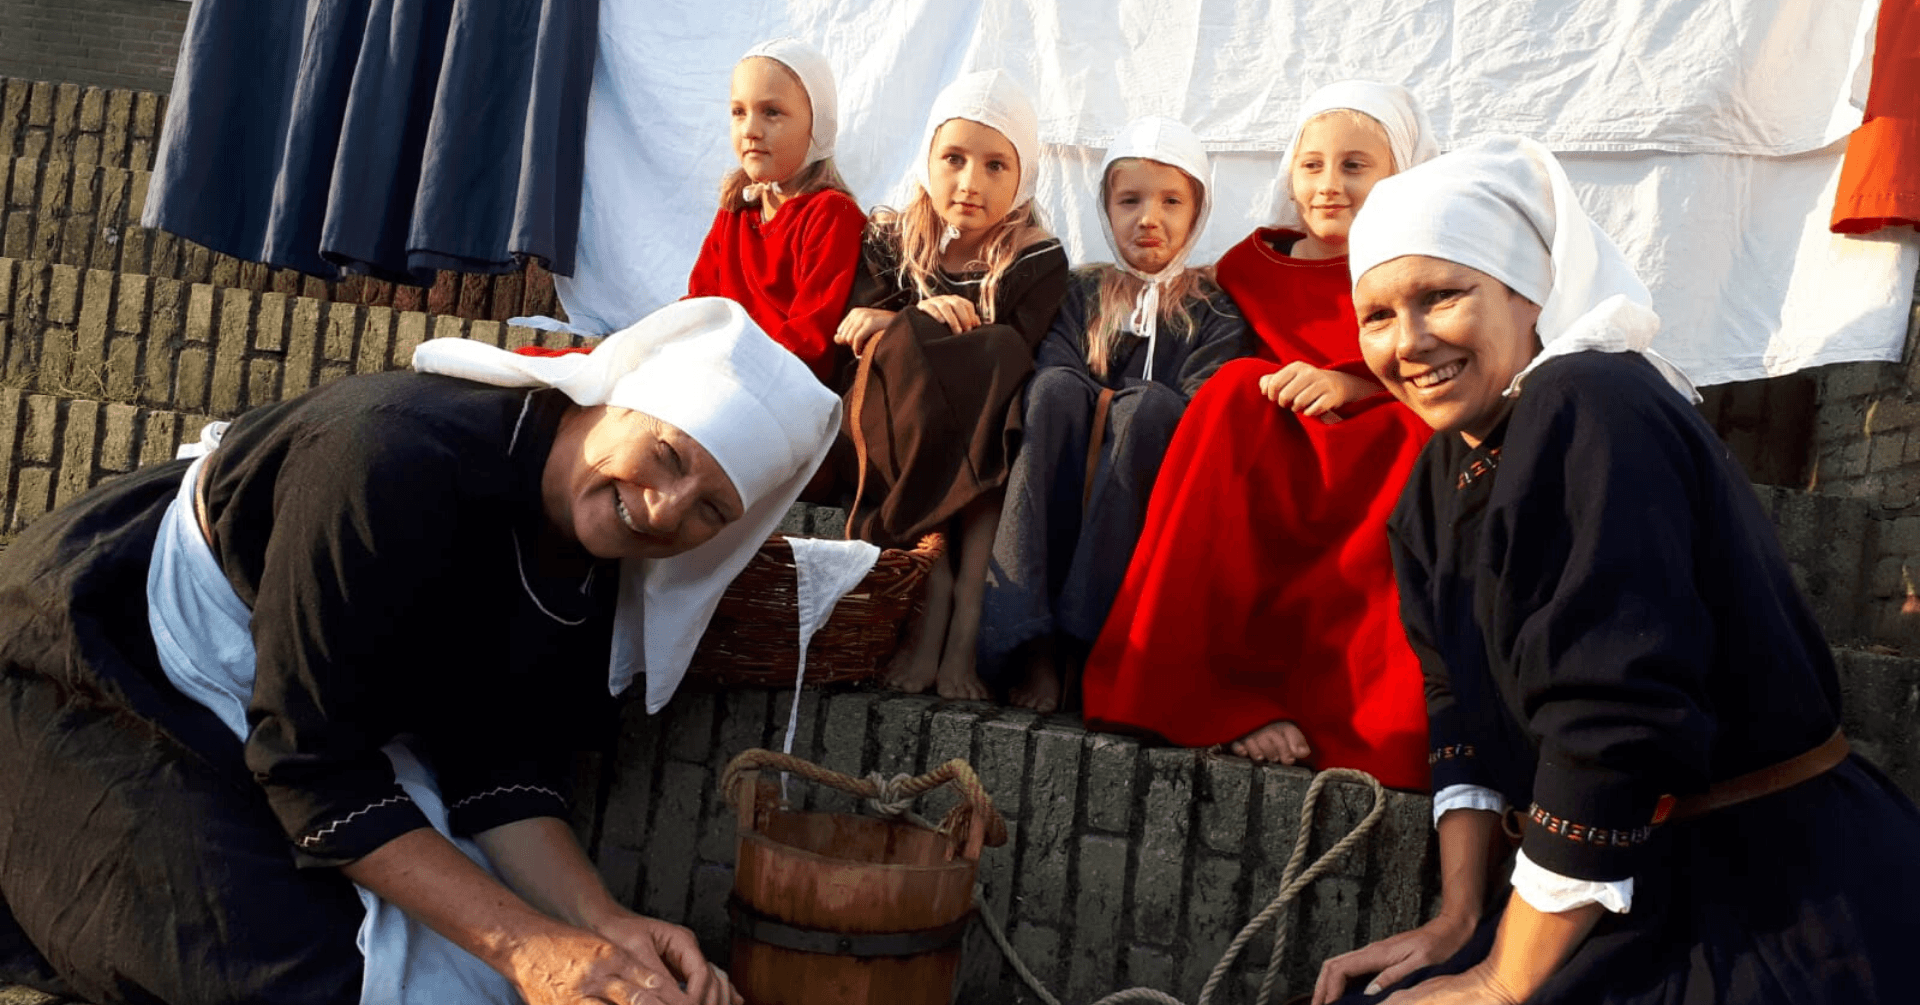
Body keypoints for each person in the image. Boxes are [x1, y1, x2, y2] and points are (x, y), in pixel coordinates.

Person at [0, 298, 840, 1005]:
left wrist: (601, 922)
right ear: (610, 400)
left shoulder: (592, 553)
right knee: (293, 971)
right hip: (109, 655)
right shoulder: (387, 457)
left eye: (708, 512)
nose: (663, 511)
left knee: (470, 979)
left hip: (316, 716)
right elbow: (308, 767)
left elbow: (496, 769)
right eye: (667, 455)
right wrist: (533, 947)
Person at [1312, 136, 1920, 1005]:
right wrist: (1457, 919)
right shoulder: (1439, 478)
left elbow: (1616, 717)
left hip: (1767, 888)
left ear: (1528, 293)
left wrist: (1498, 978)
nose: (1408, 342)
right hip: (1625, 869)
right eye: (1376, 315)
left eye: (1442, 295)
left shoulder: (1590, 403)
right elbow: (1458, 697)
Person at [1080, 82, 1437, 791]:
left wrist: (1355, 385)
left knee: (1426, 439)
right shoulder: (1250, 268)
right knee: (1235, 389)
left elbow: (1448, 367)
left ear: (1400, 175)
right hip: (1276, 458)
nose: (1328, 185)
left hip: (1375, 445)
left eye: (1355, 166)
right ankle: (1218, 690)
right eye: (1312, 165)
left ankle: (1361, 716)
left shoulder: (1422, 266)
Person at [977, 116, 1249, 712]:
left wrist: (1133, 411)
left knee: (1152, 410)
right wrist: (1101, 408)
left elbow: (1208, 403)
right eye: (1129, 200)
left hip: (1147, 486)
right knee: (1051, 395)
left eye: (1170, 201)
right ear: (1106, 207)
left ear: (1196, 211)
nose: (1148, 217)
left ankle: (1093, 643)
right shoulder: (1083, 290)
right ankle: (1035, 638)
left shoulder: (1215, 310)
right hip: (1070, 466)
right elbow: (1055, 365)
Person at [831, 69, 1070, 702]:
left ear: (1022, 178)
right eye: (954, 159)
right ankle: (934, 582)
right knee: (910, 350)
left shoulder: (1035, 259)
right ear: (927, 158)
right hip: (894, 425)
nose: (969, 183)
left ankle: (966, 612)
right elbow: (857, 337)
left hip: (987, 439)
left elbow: (1013, 361)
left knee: (990, 359)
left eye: (996, 165)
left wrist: (927, 333)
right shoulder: (892, 238)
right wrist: (914, 319)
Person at [684, 38, 867, 383]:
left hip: (781, 386)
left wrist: (724, 370)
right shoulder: (737, 208)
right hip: (718, 369)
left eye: (771, 112)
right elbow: (701, 302)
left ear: (818, 124)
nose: (750, 130)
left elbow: (809, 341)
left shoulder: (832, 214)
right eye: (739, 112)